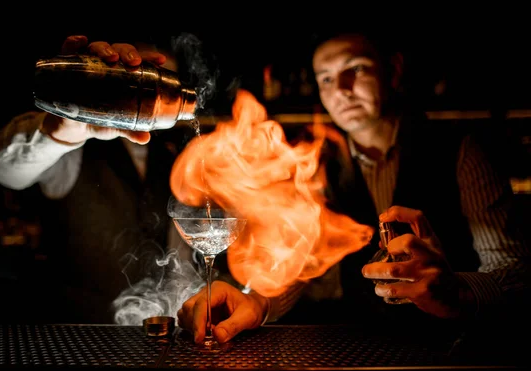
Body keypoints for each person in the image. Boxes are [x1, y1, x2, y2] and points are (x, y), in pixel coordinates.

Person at [176, 29, 531, 348]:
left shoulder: (460, 151)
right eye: (326, 79)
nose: (342, 90)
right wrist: (254, 300)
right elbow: (295, 263)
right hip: (364, 351)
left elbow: (515, 274)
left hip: (459, 352)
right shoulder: (315, 163)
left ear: (393, 70)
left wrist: (460, 291)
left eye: (357, 69)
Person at [0, 34, 197, 324]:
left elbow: (179, 255)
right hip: (78, 339)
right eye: (145, 82)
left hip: (156, 342)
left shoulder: (173, 158)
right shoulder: (75, 146)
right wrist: (61, 129)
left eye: (165, 80)